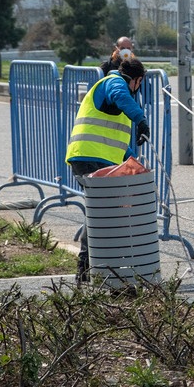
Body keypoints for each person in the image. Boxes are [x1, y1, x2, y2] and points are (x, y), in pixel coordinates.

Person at [65, 57, 150, 281]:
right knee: (101, 212)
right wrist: (141, 120)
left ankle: (95, 269)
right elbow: (121, 96)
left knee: (103, 211)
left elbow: (115, 141)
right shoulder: (114, 83)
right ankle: (88, 269)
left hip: (95, 159)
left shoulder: (116, 93)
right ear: (137, 80)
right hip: (88, 159)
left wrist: (134, 161)